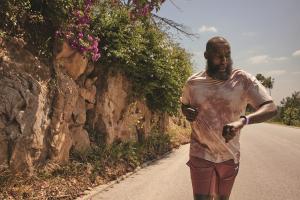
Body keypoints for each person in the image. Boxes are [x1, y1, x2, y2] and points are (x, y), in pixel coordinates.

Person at [180, 36, 277, 200]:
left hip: (229, 155)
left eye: (228, 54)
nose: (224, 60)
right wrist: (187, 111)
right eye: (218, 55)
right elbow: (184, 105)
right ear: (206, 56)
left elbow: (271, 107)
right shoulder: (193, 83)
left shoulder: (242, 80)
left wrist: (242, 121)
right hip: (200, 153)